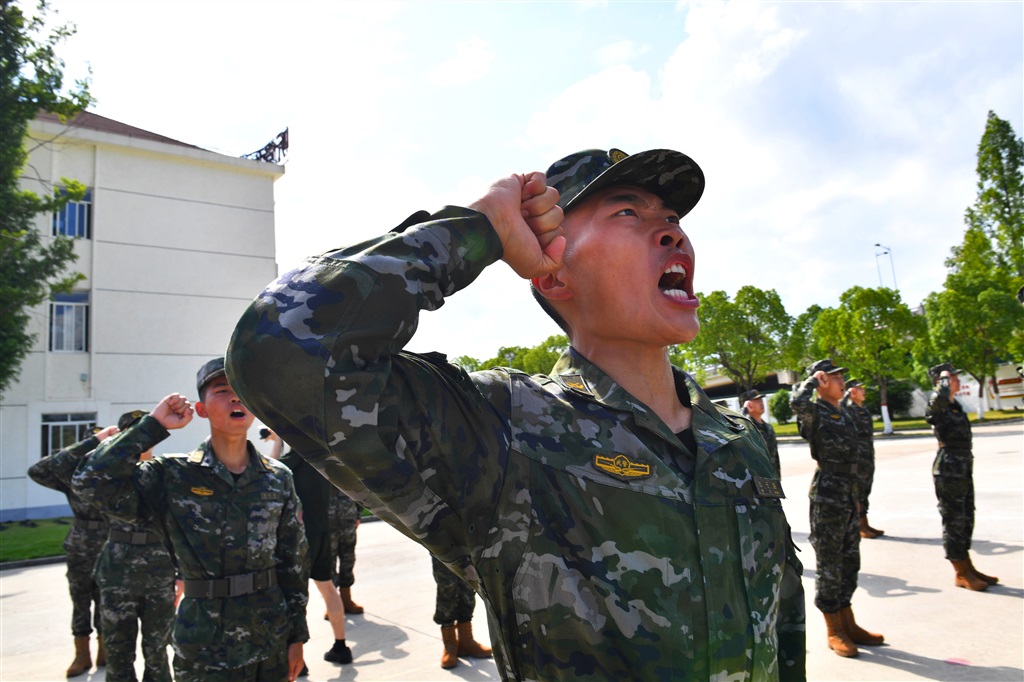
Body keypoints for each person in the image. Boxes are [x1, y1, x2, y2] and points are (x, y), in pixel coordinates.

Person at [228, 147, 806, 680]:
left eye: (673, 218)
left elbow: (782, 628)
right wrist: (477, 230)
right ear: (552, 274)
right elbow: (281, 350)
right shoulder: (504, 428)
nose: (671, 233)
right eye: (628, 212)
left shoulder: (742, 441)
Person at [72, 358, 310, 681]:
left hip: (269, 642)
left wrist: (297, 636)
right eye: (223, 391)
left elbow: (293, 561)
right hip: (204, 650)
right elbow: (89, 480)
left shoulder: (277, 477)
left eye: (242, 391)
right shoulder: (172, 475)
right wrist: (153, 426)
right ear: (201, 409)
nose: (236, 399)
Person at [791, 359, 883, 658]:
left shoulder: (844, 412)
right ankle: (834, 629)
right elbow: (796, 402)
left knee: (849, 559)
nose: (841, 380)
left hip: (848, 490)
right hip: (828, 491)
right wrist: (810, 382)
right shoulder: (814, 411)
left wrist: (857, 498)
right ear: (821, 382)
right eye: (834, 377)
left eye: (842, 376)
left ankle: (849, 622)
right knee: (830, 564)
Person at [28, 430, 110, 677]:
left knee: (109, 600)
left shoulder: (114, 471)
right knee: (80, 599)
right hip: (81, 547)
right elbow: (38, 470)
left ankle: (105, 652)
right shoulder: (73, 476)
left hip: (112, 545)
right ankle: (81, 655)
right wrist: (92, 440)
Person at [268, 430, 354, 664]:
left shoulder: (296, 458)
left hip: (302, 536)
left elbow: (270, 469)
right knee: (327, 588)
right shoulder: (322, 456)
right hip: (323, 530)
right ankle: (341, 646)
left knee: (296, 595)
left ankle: (299, 660)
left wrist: (278, 438)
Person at [925, 363, 998, 591]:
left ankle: (968, 566)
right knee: (954, 519)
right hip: (948, 468)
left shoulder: (954, 404)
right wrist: (943, 380)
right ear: (940, 382)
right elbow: (936, 403)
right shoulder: (937, 404)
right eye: (951, 377)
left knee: (966, 516)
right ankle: (960, 571)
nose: (956, 379)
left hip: (962, 466)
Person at [840, 379, 884, 539]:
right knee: (857, 492)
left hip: (867, 456)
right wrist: (846, 394)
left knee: (865, 490)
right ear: (852, 392)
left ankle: (865, 522)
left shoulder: (863, 410)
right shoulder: (849, 410)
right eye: (859, 389)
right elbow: (840, 408)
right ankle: (859, 525)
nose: (863, 391)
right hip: (856, 458)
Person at [431, 554, 492, 669]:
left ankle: (466, 642)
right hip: (442, 544)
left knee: (468, 587)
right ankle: (450, 645)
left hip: (466, 542)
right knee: (447, 588)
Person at [328, 487, 365, 614]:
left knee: (348, 560)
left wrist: (358, 514)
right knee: (328, 562)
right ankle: (332, 603)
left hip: (348, 519)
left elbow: (357, 489)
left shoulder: (346, 467)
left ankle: (346, 599)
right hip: (326, 522)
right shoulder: (317, 468)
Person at [740, 388, 780, 476]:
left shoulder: (768, 427)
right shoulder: (748, 427)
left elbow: (775, 455)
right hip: (757, 478)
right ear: (749, 404)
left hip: (773, 476)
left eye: (761, 400)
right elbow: (738, 430)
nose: (761, 403)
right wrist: (744, 411)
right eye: (757, 401)